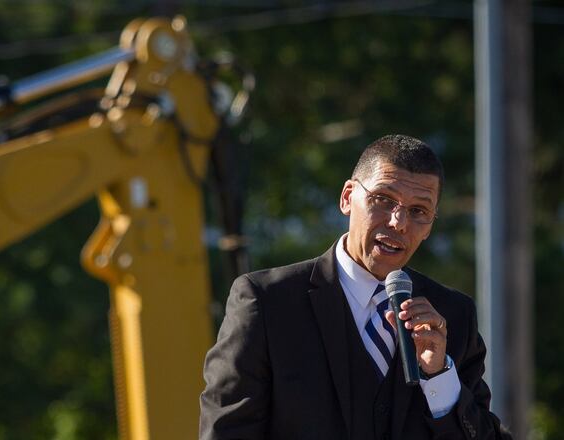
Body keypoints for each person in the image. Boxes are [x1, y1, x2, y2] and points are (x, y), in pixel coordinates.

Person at [199, 135, 508, 439]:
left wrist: (439, 378)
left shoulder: (453, 316)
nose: (399, 223)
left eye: (418, 211)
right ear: (347, 197)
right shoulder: (267, 302)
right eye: (384, 200)